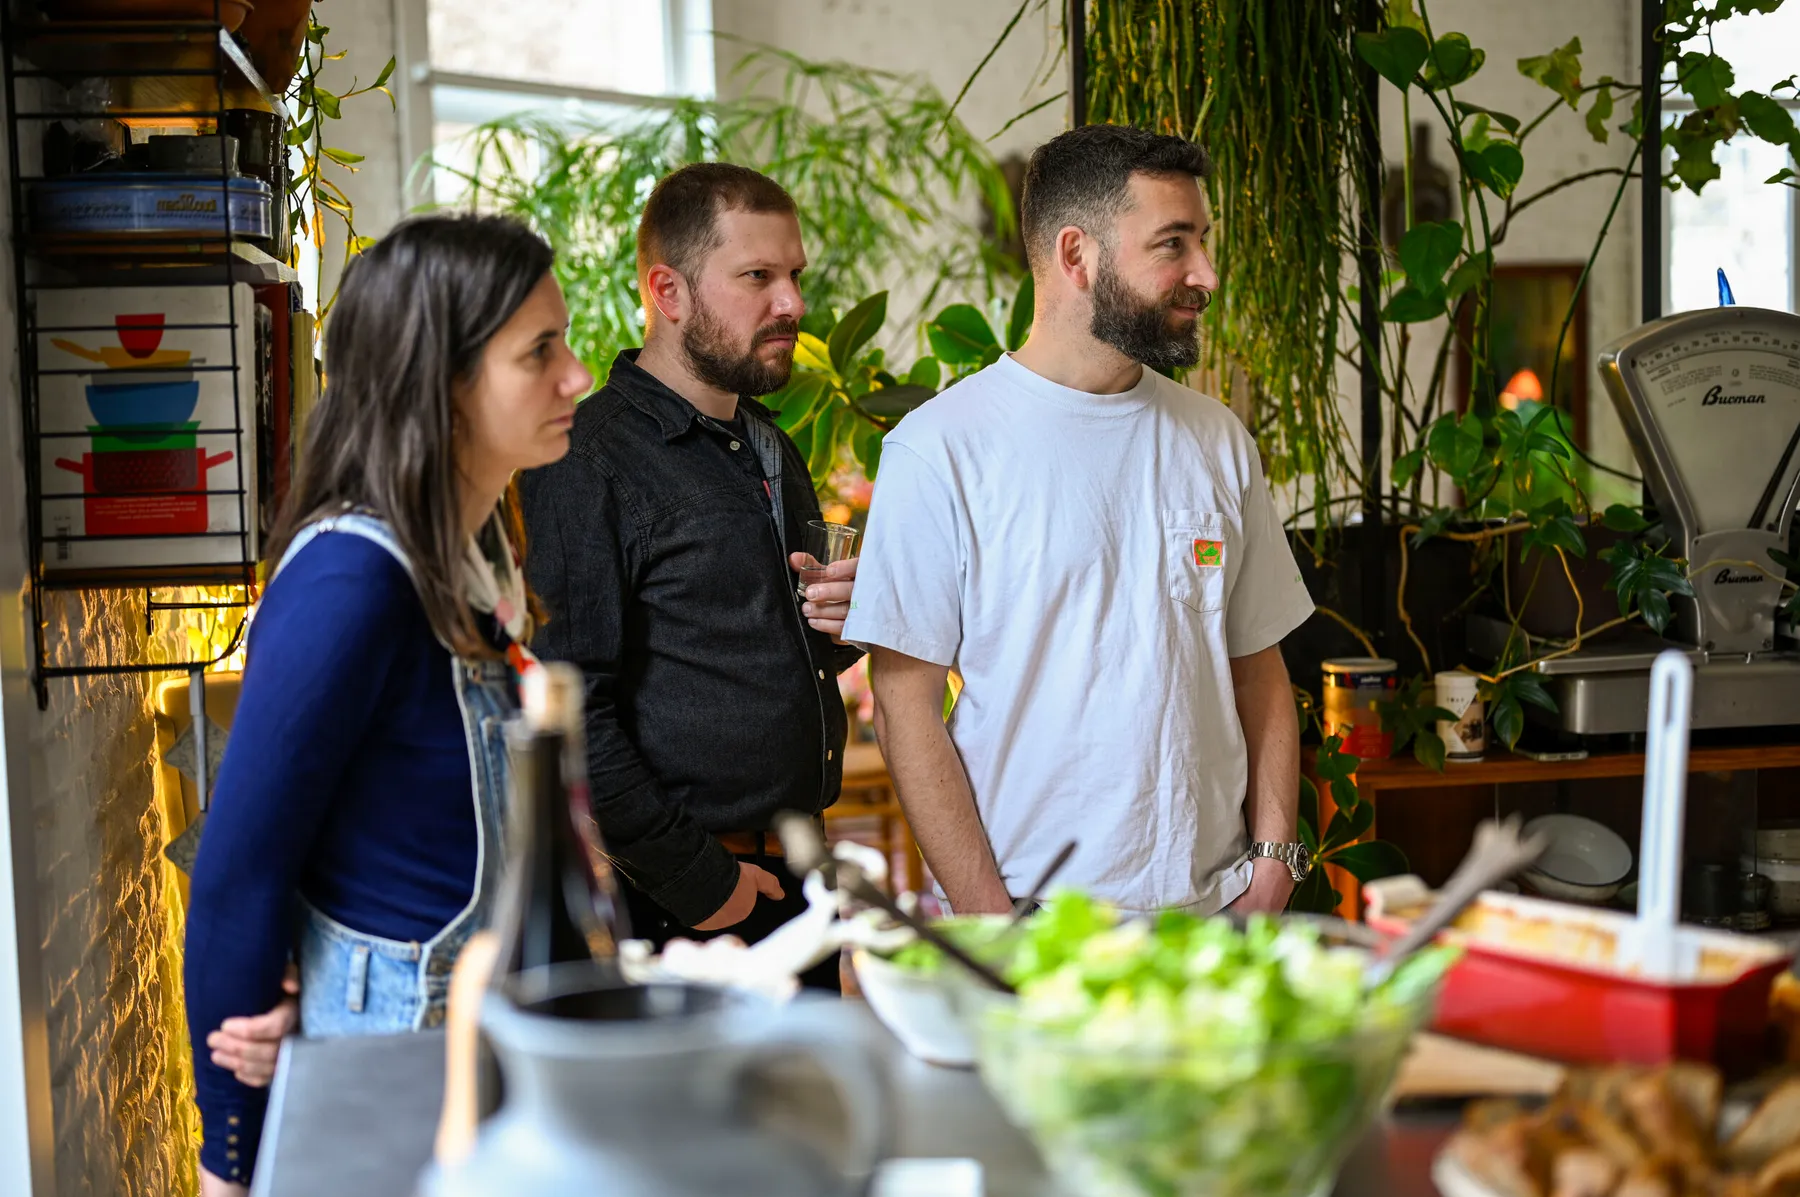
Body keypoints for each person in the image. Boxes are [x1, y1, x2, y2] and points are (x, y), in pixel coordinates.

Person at [183, 213, 594, 1195]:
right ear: (441, 382)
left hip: (477, 1066)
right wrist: (231, 1159)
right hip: (391, 1080)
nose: (577, 376)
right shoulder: (350, 582)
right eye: (539, 352)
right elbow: (238, 880)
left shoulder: (478, 557)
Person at [843, 124, 1316, 919]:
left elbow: (1258, 666)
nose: (1205, 273)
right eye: (1173, 244)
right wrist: (994, 925)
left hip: (1217, 919)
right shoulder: (939, 449)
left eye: (1203, 241)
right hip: (1031, 927)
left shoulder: (1217, 439)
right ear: (1076, 254)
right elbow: (904, 707)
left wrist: (1273, 865)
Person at [519, 163, 860, 989]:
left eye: (794, 275)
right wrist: (703, 885)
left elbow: (769, 649)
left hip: (796, 882)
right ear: (667, 291)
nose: (793, 303)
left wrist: (847, 621)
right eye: (758, 277)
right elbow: (568, 704)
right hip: (681, 905)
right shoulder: (582, 459)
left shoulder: (769, 444)